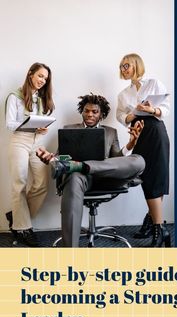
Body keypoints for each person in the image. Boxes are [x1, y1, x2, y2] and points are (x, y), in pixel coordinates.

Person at [36, 93, 145, 247]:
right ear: (82, 111)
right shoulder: (69, 130)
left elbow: (116, 159)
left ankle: (82, 165)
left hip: (105, 177)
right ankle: (70, 252)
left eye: (94, 112)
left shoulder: (110, 132)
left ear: (101, 114)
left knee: (139, 160)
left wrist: (131, 144)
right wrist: (50, 158)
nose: (90, 114)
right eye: (86, 111)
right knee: (73, 177)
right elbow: (60, 159)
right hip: (80, 179)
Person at [117, 53, 170, 247]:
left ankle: (156, 227)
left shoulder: (154, 83)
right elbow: (121, 117)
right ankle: (154, 223)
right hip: (138, 132)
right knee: (146, 177)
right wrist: (133, 113)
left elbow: (165, 108)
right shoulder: (123, 94)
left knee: (158, 176)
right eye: (122, 66)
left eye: (127, 65)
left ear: (137, 65)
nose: (123, 69)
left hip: (156, 131)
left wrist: (151, 110)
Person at [5, 62, 55, 247]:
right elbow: (9, 124)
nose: (43, 80)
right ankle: (24, 228)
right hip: (19, 141)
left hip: (37, 143)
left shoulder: (41, 99)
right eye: (40, 76)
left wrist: (41, 129)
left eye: (46, 78)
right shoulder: (15, 96)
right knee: (20, 184)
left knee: (42, 184)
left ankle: (15, 217)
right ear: (30, 74)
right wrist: (30, 125)